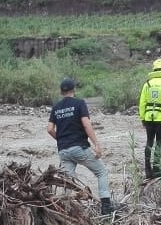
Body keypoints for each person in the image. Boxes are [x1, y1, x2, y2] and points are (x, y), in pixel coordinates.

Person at [47, 77, 112, 215]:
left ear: (61, 92)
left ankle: (69, 211)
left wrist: (61, 139)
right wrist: (96, 144)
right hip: (79, 147)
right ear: (73, 90)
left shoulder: (56, 108)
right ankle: (106, 207)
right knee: (101, 172)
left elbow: (49, 129)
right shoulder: (79, 103)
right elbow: (86, 124)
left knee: (68, 182)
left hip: (63, 150)